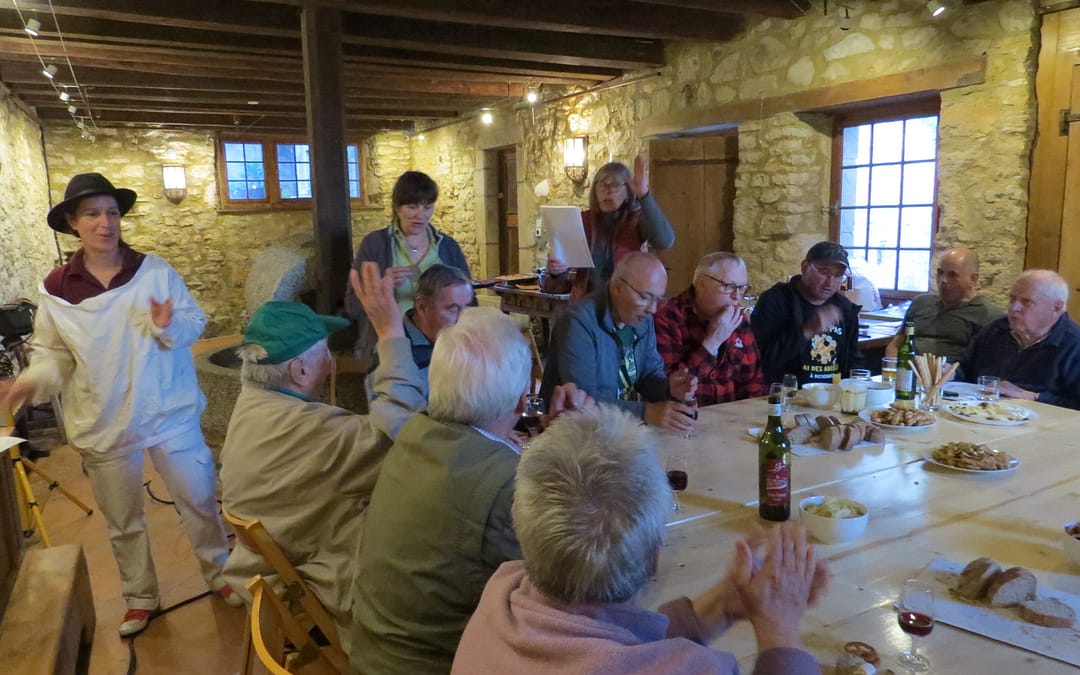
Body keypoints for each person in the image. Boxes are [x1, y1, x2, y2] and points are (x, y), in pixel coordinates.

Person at [0, 173, 239, 637]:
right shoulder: (55, 289)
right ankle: (139, 598)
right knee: (123, 520)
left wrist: (168, 326)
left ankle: (221, 576)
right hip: (104, 419)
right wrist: (27, 383)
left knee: (199, 500)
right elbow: (54, 354)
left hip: (168, 410)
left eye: (111, 212)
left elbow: (193, 321)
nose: (104, 223)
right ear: (73, 223)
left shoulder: (153, 271)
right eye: (92, 214)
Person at [452, 405, 827, 675]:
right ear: (654, 560)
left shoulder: (500, 596)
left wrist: (724, 604)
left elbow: (603, 637)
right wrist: (781, 631)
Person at [349, 307, 591, 675]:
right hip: (439, 664)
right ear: (525, 394)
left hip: (376, 654)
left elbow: (516, 409)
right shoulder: (502, 483)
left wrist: (546, 424)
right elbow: (569, 586)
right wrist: (574, 439)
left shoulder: (417, 433)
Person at [219, 263, 427, 643]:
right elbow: (404, 436)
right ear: (299, 370)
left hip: (270, 583)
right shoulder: (310, 432)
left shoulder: (253, 406)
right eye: (324, 353)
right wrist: (391, 332)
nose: (330, 362)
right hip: (311, 601)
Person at [541, 252, 697, 432]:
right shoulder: (578, 322)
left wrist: (669, 389)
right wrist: (645, 412)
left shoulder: (641, 319)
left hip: (618, 430)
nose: (653, 309)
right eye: (645, 297)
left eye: (658, 299)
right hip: (571, 435)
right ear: (616, 288)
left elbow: (648, 376)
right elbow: (582, 401)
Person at [344, 170, 471, 369]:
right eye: (412, 207)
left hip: (443, 345)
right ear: (397, 207)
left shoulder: (447, 246)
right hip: (390, 345)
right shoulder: (375, 244)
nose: (420, 215)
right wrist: (380, 287)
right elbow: (353, 306)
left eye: (427, 207)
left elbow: (469, 299)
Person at [544, 156, 674, 298]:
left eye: (616, 185)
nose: (608, 191)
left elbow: (665, 241)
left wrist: (644, 195)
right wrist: (556, 271)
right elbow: (562, 269)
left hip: (625, 302)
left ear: (627, 192)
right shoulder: (582, 220)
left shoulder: (636, 219)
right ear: (595, 189)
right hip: (586, 304)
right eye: (603, 185)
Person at [654, 252, 767, 405]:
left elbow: (753, 381)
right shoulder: (668, 317)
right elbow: (673, 388)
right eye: (729, 286)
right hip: (684, 418)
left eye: (742, 288)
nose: (737, 296)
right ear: (701, 284)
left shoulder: (738, 319)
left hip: (732, 418)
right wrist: (712, 342)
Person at [957, 269, 1080, 408]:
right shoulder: (997, 329)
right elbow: (963, 365)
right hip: (977, 413)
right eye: (1012, 299)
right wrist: (948, 371)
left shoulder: (1074, 344)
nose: (1014, 308)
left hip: (1040, 424)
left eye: (1026, 302)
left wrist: (1032, 396)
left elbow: (1075, 403)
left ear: (1056, 308)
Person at [752, 241, 861, 386]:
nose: (830, 282)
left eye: (838, 275)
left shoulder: (844, 307)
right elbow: (761, 358)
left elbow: (853, 358)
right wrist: (807, 330)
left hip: (832, 396)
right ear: (805, 267)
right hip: (787, 395)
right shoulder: (776, 300)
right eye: (824, 272)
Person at [361, 263, 473, 399]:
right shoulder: (392, 355)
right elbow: (391, 417)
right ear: (422, 307)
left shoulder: (461, 338)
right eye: (452, 309)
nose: (463, 318)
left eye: (467, 307)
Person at [886, 247, 998, 361]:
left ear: (973, 279)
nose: (943, 280)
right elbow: (896, 344)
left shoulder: (986, 314)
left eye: (952, 275)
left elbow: (982, 363)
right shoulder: (921, 303)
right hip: (907, 373)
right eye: (940, 273)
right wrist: (892, 371)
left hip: (950, 376)